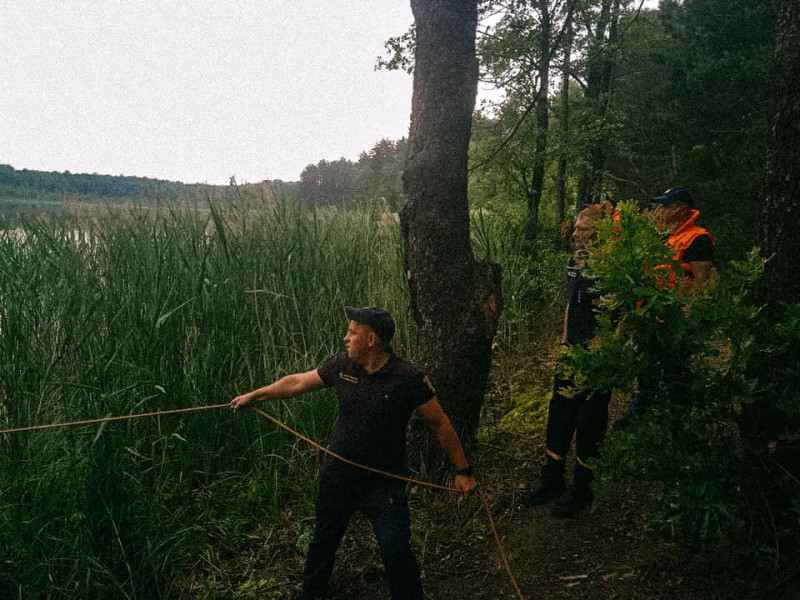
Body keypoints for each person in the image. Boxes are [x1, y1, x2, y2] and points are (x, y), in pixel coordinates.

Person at [231, 306, 477, 600]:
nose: (345, 338)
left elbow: (440, 424)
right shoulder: (342, 366)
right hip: (339, 475)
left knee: (396, 550)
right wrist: (254, 396)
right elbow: (297, 383)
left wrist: (462, 471)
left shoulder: (408, 377)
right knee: (323, 540)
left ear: (371, 339)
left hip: (383, 482)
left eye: (352, 332)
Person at [522, 202, 614, 517]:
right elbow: (570, 305)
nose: (575, 233)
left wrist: (607, 349)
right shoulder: (577, 261)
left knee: (589, 421)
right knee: (560, 412)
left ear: (598, 234)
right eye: (575, 228)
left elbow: (624, 311)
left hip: (597, 358)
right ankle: (553, 478)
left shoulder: (611, 265)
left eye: (582, 229)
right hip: (571, 352)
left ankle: (584, 488)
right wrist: (563, 341)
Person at [651, 186, 716, 289]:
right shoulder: (667, 237)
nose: (659, 210)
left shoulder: (699, 238)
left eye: (665, 206)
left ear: (681, 210)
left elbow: (703, 284)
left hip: (679, 302)